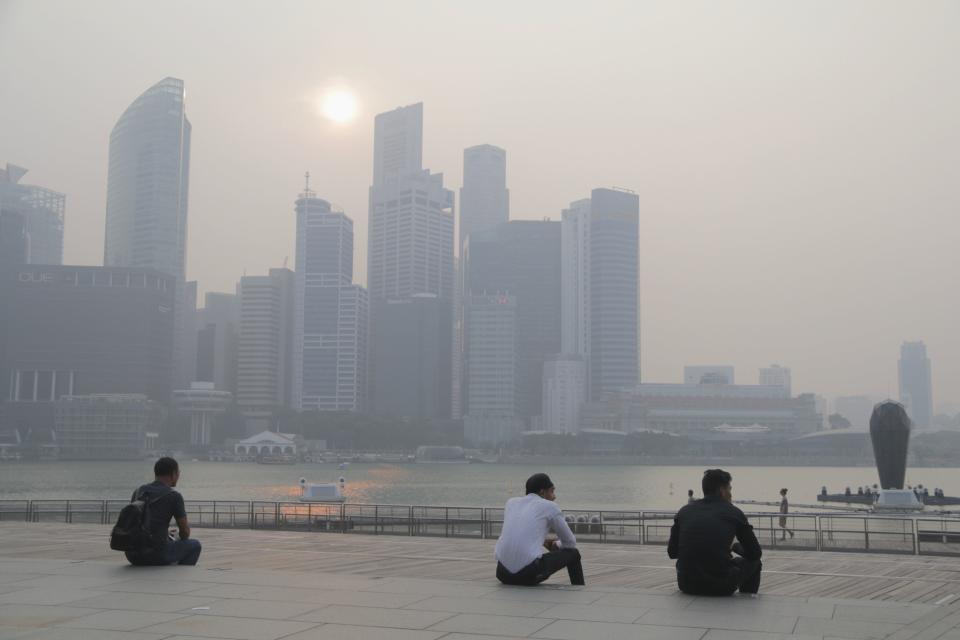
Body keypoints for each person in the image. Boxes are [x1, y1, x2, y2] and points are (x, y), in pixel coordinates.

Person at [667, 469, 762, 596]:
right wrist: (735, 546)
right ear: (722, 491)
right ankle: (747, 600)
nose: (731, 494)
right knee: (755, 563)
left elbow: (672, 553)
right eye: (730, 489)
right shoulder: (734, 512)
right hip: (721, 585)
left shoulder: (684, 511)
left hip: (687, 584)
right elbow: (755, 554)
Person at [494, 473, 585, 586]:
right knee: (573, 553)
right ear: (542, 492)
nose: (554, 496)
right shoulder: (550, 506)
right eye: (552, 491)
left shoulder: (511, 503)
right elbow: (570, 542)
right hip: (526, 575)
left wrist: (542, 540)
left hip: (502, 573)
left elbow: (522, 531)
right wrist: (556, 545)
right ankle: (579, 589)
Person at [125, 457, 202, 566]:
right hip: (156, 554)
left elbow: (142, 522)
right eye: (178, 473)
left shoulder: (138, 491)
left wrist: (165, 534)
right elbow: (185, 532)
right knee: (195, 545)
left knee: (169, 540)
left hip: (132, 554)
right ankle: (178, 573)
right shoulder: (174, 496)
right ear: (174, 473)